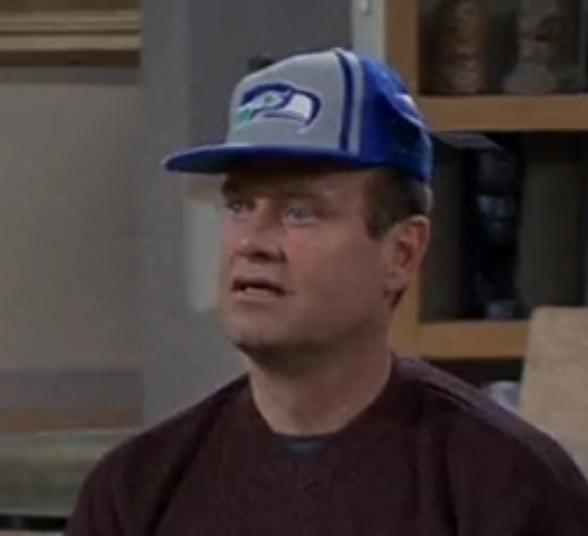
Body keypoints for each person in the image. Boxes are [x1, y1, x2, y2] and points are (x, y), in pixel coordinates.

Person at [65, 48, 588, 535]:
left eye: (299, 211)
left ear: (401, 253)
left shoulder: (508, 489)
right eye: (239, 206)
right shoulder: (133, 493)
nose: (251, 242)